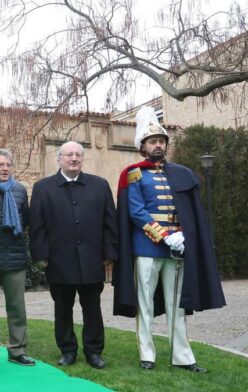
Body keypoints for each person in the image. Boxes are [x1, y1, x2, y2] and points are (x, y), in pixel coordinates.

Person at [113, 106, 225, 372]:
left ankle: (183, 356)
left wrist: (184, 234)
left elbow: (188, 211)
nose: (158, 145)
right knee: (146, 305)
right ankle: (147, 354)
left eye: (161, 141)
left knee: (178, 305)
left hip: (177, 249)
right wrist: (164, 236)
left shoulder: (179, 173)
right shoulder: (134, 173)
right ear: (143, 147)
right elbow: (136, 211)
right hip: (147, 248)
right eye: (153, 142)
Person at [29, 141, 117, 370]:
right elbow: (36, 226)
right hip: (59, 261)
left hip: (92, 260)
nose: (74, 158)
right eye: (69, 155)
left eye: (78, 155)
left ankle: (94, 351)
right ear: (59, 158)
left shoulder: (99, 186)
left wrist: (109, 254)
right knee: (62, 309)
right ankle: (67, 351)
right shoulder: (43, 188)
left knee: (93, 309)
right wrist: (41, 255)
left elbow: (110, 223)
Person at [0, 149, 36, 367]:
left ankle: (17, 350)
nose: (5, 168)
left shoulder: (20, 190)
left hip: (15, 258)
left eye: (8, 164)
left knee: (17, 307)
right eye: (0, 164)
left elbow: (26, 220)